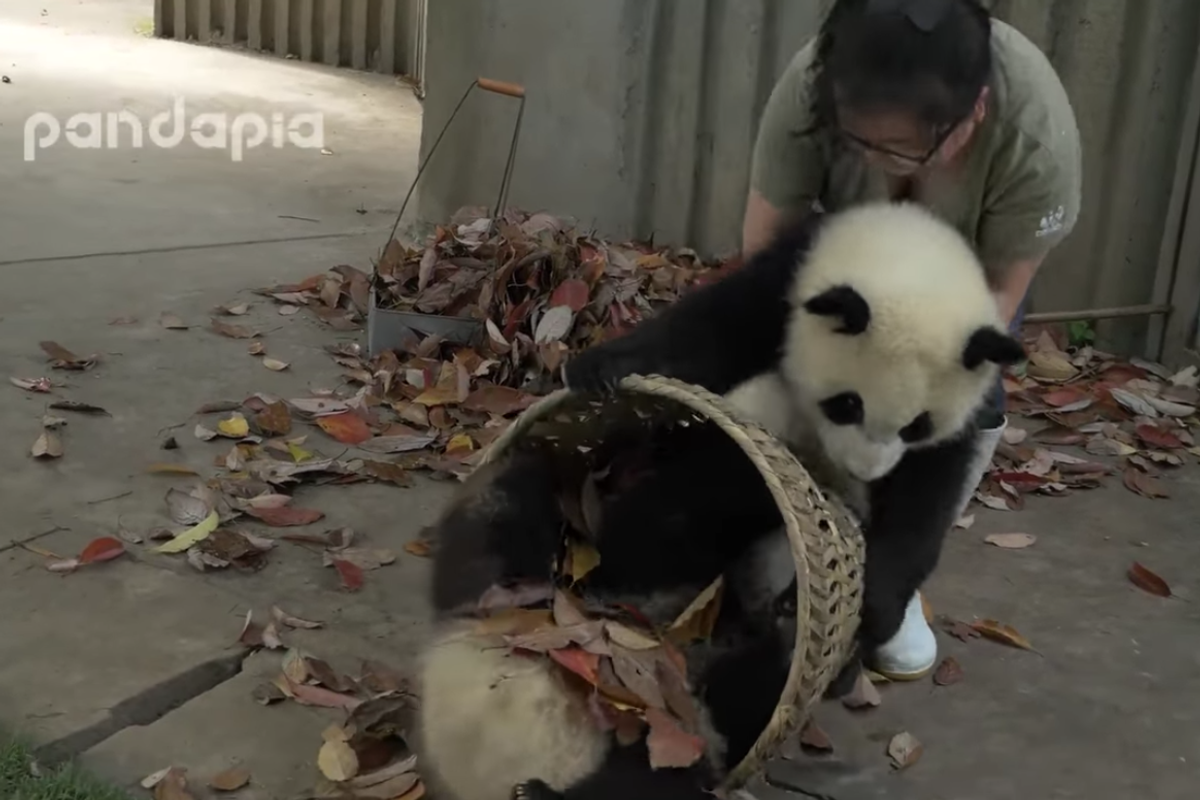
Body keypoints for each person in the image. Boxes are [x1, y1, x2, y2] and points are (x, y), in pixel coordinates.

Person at [742, 0, 1081, 679]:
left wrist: (898, 403)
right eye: (858, 142)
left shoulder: (1034, 140)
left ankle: (890, 573)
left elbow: (995, 303)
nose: (878, 163)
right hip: (840, 268)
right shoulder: (815, 85)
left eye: (898, 149)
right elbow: (761, 255)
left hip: (956, 291)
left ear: (973, 116)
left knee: (965, 400)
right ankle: (786, 531)